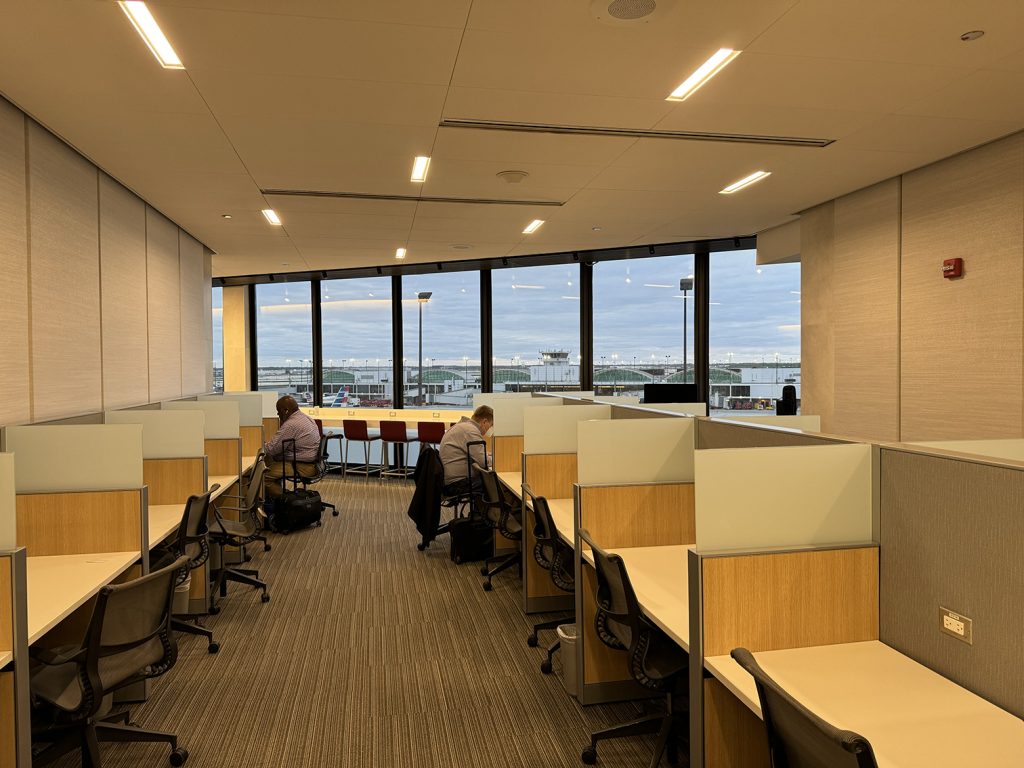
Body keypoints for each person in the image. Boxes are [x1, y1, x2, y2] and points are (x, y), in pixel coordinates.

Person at [263, 395, 321, 500]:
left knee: (262, 477)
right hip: (311, 463)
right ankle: (282, 499)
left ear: (285, 410)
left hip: (300, 466)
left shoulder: (291, 424)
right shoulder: (306, 418)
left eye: (278, 411)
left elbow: (272, 450)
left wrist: (261, 445)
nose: (278, 414)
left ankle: (289, 500)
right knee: (270, 463)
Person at [439, 405, 493, 494]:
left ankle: (482, 508)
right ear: (484, 421)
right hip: (456, 483)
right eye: (491, 425)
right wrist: (499, 460)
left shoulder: (464, 426)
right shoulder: (471, 431)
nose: (489, 429)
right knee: (495, 483)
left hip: (450, 479)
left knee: (488, 479)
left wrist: (487, 455)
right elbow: (483, 462)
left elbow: (473, 453)